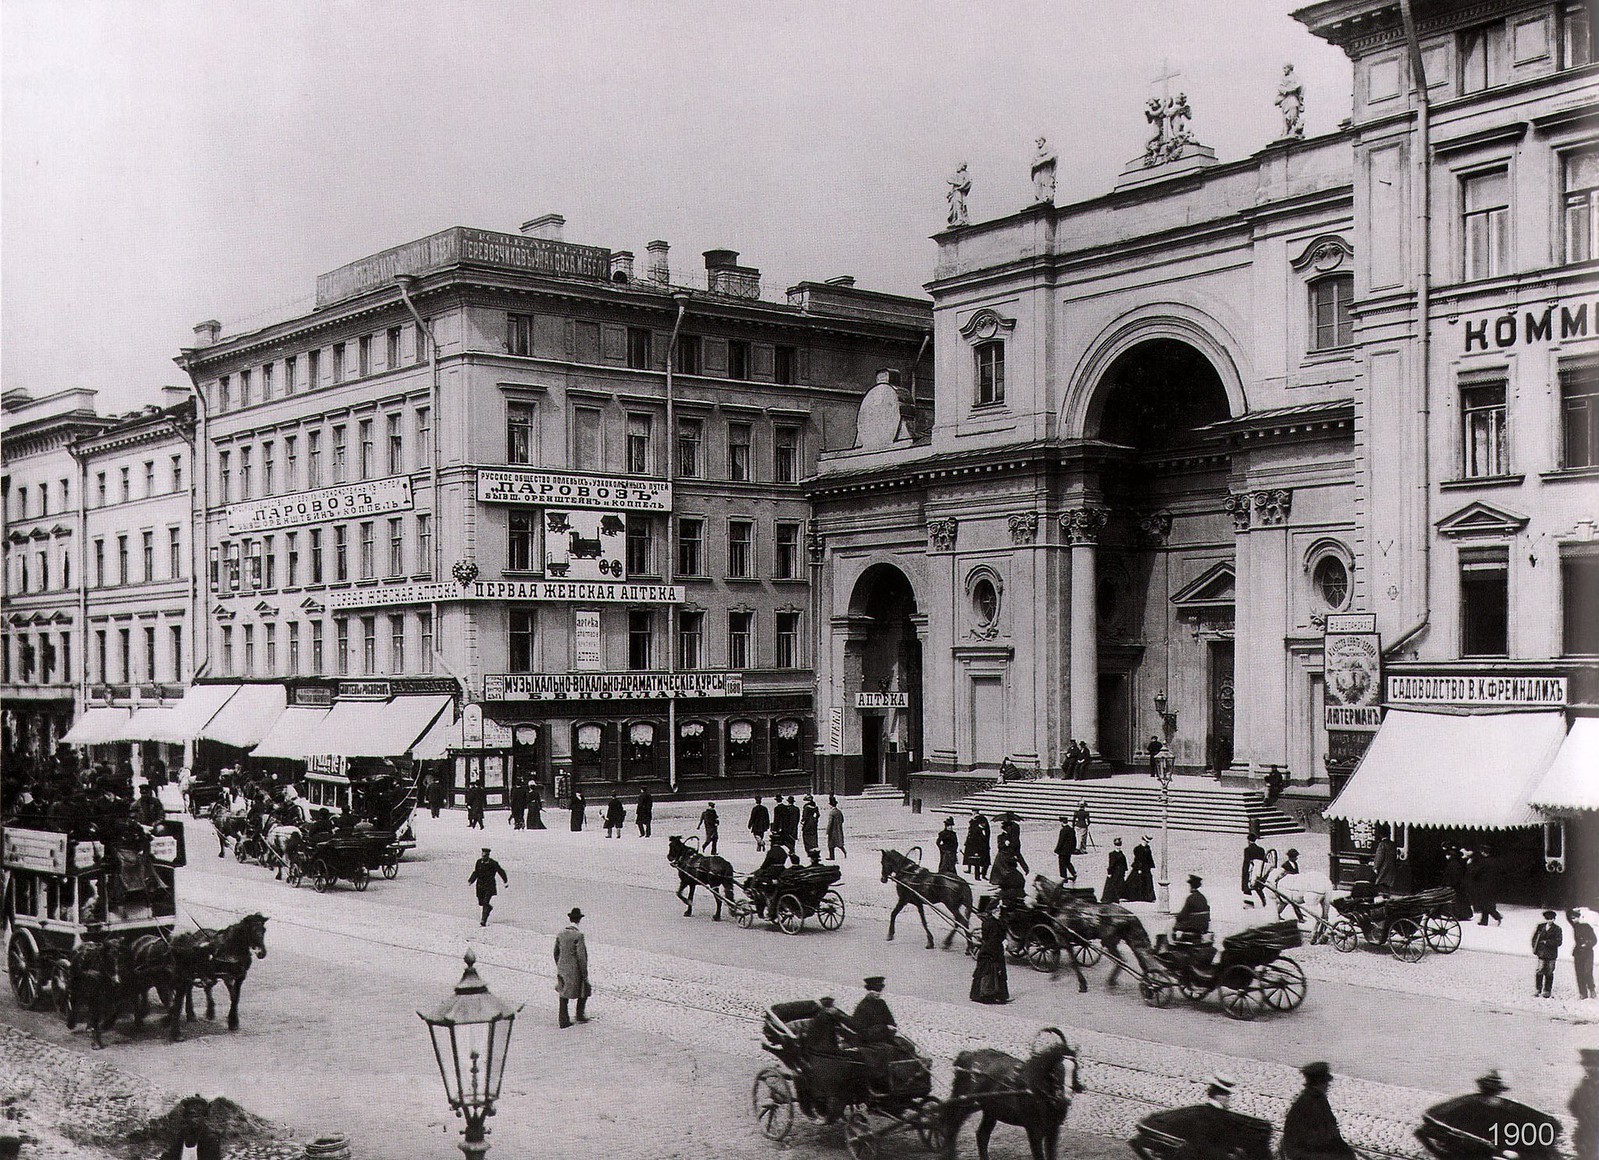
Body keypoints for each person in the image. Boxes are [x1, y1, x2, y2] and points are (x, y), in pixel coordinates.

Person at [1281, 1061, 1355, 1160]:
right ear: (1320, 1083)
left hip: (1309, 1149)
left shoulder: (1318, 1099)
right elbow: (1320, 1135)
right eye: (1325, 1082)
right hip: (1303, 1153)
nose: (1328, 1086)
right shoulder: (1311, 1102)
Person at [970, 895, 1011, 1004]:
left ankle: (999, 994)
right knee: (989, 971)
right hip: (990, 949)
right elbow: (990, 939)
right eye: (997, 911)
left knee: (998, 971)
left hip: (995, 948)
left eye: (999, 911)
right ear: (992, 912)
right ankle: (986, 994)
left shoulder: (998, 922)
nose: (999, 912)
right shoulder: (990, 923)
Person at [554, 907, 591, 1028]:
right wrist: (584, 973)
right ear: (579, 920)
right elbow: (581, 956)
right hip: (574, 970)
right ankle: (580, 1015)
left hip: (562, 967)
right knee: (584, 989)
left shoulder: (561, 933)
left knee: (563, 993)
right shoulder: (578, 935)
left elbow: (556, 952)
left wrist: (559, 964)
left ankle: (563, 1019)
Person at [160, 1095, 224, 1160]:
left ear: (204, 1117)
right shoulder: (182, 1135)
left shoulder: (210, 1137)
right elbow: (171, 1155)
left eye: (196, 1116)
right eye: (189, 1116)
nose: (192, 1120)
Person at [468, 847, 508, 927]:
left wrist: (505, 881)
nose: (484, 857)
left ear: (488, 856)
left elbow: (501, 871)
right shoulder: (478, 862)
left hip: (489, 886)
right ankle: (489, 908)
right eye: (483, 855)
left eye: (485, 856)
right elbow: (476, 872)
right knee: (481, 902)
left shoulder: (493, 863)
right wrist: (471, 880)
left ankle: (483, 920)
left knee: (485, 902)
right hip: (480, 886)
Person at [1572, 1048, 1598, 1160]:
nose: (1587, 1069)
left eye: (1590, 1066)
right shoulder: (1586, 1082)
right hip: (1586, 1134)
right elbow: (1573, 1104)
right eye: (1586, 1066)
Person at [1533, 909, 1563, 998]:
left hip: (1551, 954)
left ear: (1554, 919)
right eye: (1548, 919)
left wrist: (1547, 942)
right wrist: (1535, 949)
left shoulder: (1557, 929)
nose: (1550, 920)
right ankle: (1538, 988)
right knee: (1540, 970)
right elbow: (1534, 939)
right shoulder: (1540, 927)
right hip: (1541, 953)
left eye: (1551, 919)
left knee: (1549, 972)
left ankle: (1547, 990)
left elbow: (1559, 942)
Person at [1173, 874, 1211, 941]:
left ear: (1191, 886)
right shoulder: (1203, 897)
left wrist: (1177, 917)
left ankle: (1173, 944)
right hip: (1204, 925)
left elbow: (1182, 915)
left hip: (1193, 926)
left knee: (1171, 926)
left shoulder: (1190, 898)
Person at [1470, 847, 1501, 925]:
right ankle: (1484, 920)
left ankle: (1496, 915)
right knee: (1486, 902)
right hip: (1492, 884)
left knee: (1484, 902)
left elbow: (1476, 872)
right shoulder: (1494, 861)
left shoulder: (1483, 862)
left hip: (1483, 884)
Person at [1570, 908, 1595, 1000]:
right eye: (1572, 918)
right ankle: (1583, 993)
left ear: (1579, 918)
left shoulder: (1587, 926)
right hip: (1578, 953)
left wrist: (1587, 944)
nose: (1574, 920)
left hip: (1588, 953)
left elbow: (1594, 940)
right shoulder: (1575, 926)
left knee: (1587, 972)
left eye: (1575, 918)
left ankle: (1592, 989)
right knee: (1579, 973)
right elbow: (1568, 915)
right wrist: (1573, 908)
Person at [1125, 835, 1156, 902]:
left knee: (1148, 882)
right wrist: (1139, 868)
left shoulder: (1148, 848)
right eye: (1146, 841)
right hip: (1139, 867)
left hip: (1146, 868)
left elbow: (1149, 858)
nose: (1146, 843)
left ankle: (1148, 897)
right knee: (1134, 881)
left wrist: (1151, 866)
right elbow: (1138, 859)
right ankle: (1133, 896)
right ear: (1143, 840)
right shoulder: (1138, 849)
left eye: (1147, 842)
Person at [963, 812, 991, 880]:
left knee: (986, 862)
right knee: (976, 862)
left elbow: (987, 836)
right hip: (978, 848)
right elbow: (974, 839)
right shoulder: (976, 830)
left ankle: (983, 874)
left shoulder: (986, 829)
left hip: (985, 847)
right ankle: (977, 876)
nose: (984, 824)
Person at [1241, 834, 1266, 906]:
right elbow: (1264, 860)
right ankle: (1264, 901)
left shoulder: (1247, 850)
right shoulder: (1261, 849)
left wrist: (1245, 872)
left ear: (1248, 841)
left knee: (1247, 888)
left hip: (1250, 870)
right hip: (1259, 870)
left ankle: (1249, 903)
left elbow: (1246, 861)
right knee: (1258, 887)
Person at [1102, 837, 1127, 903]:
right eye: (1117, 845)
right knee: (1112, 885)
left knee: (1120, 884)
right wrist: (1109, 872)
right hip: (1115, 872)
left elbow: (1124, 863)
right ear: (1115, 846)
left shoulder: (1122, 854)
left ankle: (1118, 896)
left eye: (1119, 845)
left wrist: (1124, 871)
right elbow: (1111, 864)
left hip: (1120, 872)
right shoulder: (1112, 854)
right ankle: (1112, 898)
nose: (1118, 847)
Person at [1371, 828, 1397, 894]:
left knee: (1380, 884)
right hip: (1391, 868)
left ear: (1380, 835)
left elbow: (1379, 857)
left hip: (1383, 868)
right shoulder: (1393, 844)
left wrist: (1376, 867)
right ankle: (1386, 896)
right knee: (1387, 885)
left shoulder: (1382, 844)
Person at [1054, 816, 1078, 883]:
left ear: (1061, 822)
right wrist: (1073, 848)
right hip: (1069, 850)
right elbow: (1075, 840)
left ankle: (1063, 877)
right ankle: (1074, 873)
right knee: (1068, 862)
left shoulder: (1063, 830)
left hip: (1062, 851)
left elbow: (1061, 841)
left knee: (1062, 864)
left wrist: (1056, 849)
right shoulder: (1071, 829)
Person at [800, 795, 821, 860]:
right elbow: (818, 815)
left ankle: (809, 850)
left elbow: (805, 816)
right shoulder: (815, 806)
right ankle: (814, 848)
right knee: (814, 836)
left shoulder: (806, 807)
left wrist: (802, 822)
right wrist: (815, 820)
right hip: (813, 823)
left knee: (806, 836)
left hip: (808, 823)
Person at [826, 795, 846, 859]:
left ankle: (832, 857)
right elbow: (842, 820)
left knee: (831, 845)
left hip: (833, 831)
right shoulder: (839, 811)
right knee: (839, 843)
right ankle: (844, 852)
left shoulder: (831, 813)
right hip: (839, 830)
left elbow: (830, 823)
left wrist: (827, 831)